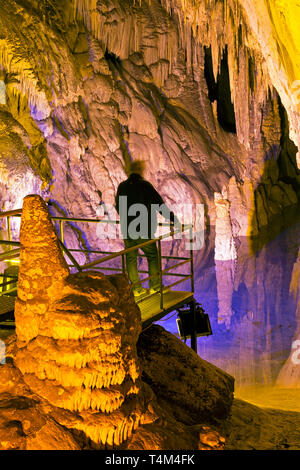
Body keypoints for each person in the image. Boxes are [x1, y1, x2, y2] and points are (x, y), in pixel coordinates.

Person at [115, 160, 181, 298]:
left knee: (131, 258)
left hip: (128, 229)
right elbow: (159, 204)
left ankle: (135, 288)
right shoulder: (145, 186)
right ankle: (155, 287)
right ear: (140, 173)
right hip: (144, 228)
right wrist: (173, 219)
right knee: (152, 256)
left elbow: (118, 207)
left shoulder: (122, 187)